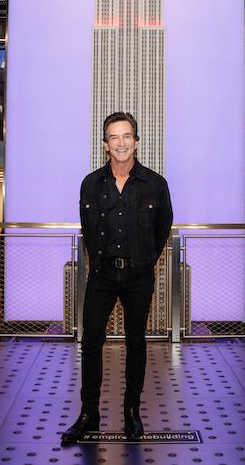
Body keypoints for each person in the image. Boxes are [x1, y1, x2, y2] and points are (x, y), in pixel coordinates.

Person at [61, 112, 173, 445]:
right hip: (102, 274)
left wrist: (147, 260)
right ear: (105, 145)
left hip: (139, 275)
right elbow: (87, 228)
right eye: (114, 137)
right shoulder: (90, 184)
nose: (121, 143)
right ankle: (88, 414)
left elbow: (163, 225)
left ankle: (132, 413)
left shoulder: (155, 184)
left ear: (136, 142)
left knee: (136, 343)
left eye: (127, 136)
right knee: (91, 342)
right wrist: (100, 262)